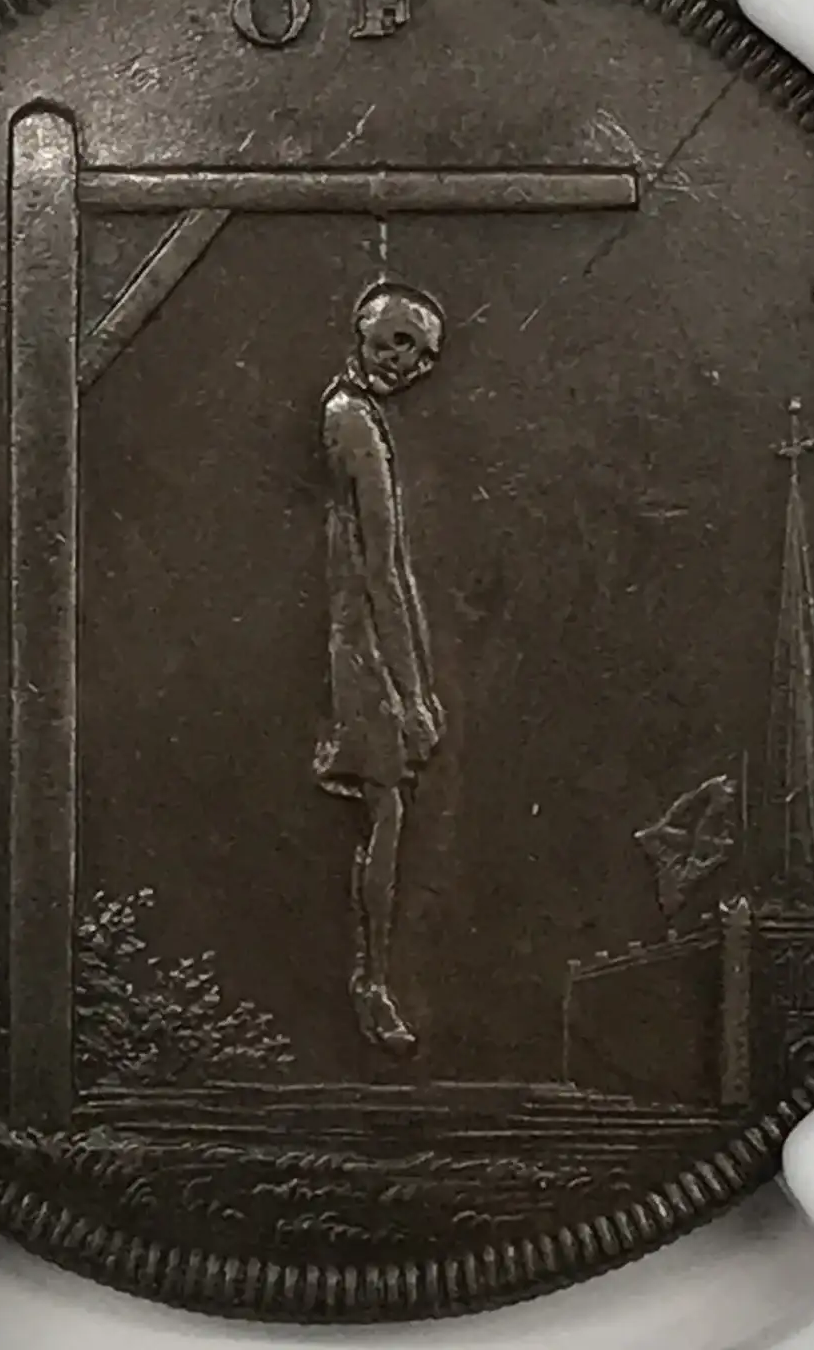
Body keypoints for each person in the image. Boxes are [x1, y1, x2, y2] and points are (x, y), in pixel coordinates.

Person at [314, 282, 446, 1054]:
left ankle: (371, 978)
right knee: (386, 814)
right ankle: (371, 983)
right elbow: (381, 570)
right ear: (365, 333)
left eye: (423, 357)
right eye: (399, 343)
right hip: (361, 647)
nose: (409, 364)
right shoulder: (352, 420)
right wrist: (413, 690)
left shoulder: (356, 415)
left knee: (384, 815)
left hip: (366, 640)